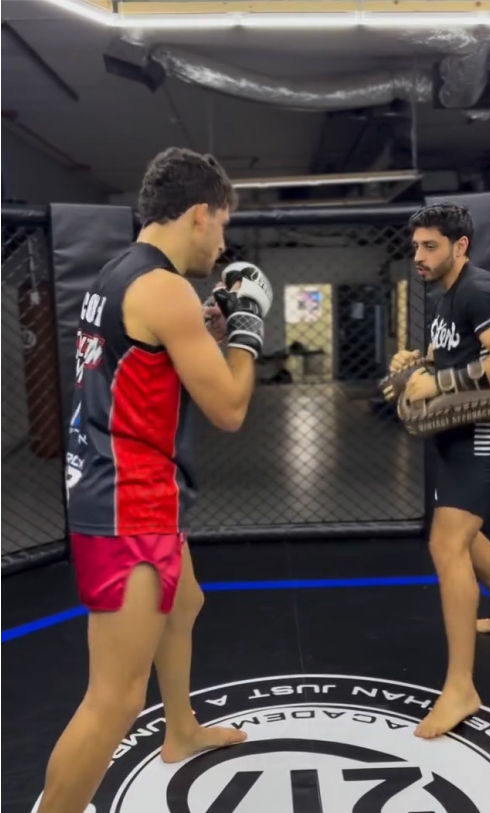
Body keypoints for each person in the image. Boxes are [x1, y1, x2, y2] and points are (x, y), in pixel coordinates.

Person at [36, 147, 273, 813]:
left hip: (131, 489)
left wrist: (209, 329)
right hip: (127, 507)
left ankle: (182, 729)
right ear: (199, 214)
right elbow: (229, 408)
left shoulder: (120, 274)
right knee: (113, 699)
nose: (222, 243)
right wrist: (248, 329)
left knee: (186, 602)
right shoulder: (166, 290)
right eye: (222, 224)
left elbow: (143, 363)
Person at [390, 202, 490, 740]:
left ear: (461, 245)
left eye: (430, 246)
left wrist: (441, 383)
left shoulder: (479, 289)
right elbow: (452, 355)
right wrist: (419, 364)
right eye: (416, 246)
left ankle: (461, 689)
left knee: (447, 543)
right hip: (455, 435)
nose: (419, 256)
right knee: (468, 538)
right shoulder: (444, 295)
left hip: (483, 437)